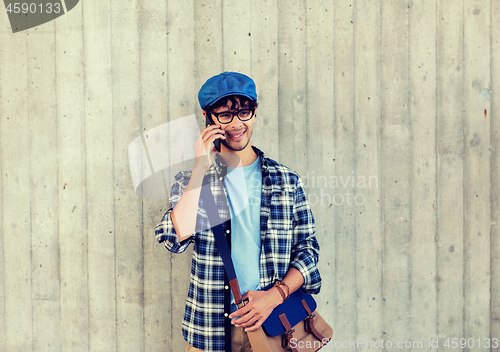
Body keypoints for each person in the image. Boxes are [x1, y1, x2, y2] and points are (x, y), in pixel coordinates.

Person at [155, 72, 322, 352]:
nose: (236, 124)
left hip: (275, 323)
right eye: (224, 115)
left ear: (254, 112)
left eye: (243, 112)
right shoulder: (192, 181)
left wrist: (273, 296)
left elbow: (308, 250)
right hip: (209, 330)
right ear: (209, 118)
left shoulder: (286, 180)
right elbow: (173, 239)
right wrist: (200, 168)